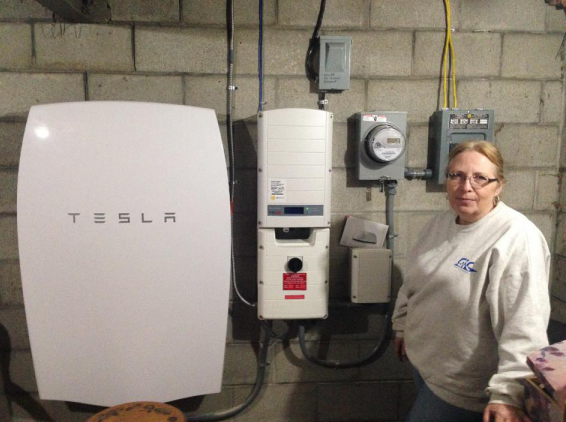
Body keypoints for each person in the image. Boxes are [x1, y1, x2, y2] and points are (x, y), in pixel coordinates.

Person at [392, 140, 550, 422]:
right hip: (424, 364)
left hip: (462, 385)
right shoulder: (440, 223)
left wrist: (508, 394)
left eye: (480, 178)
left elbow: (525, 323)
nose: (466, 186)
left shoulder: (516, 237)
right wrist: (402, 324)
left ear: (498, 186)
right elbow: (415, 281)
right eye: (457, 175)